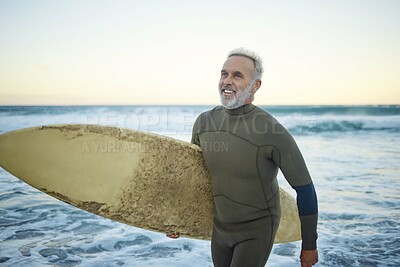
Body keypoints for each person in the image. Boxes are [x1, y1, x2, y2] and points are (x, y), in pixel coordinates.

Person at [169, 48, 318, 267]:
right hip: (220, 227)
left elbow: (305, 189)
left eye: (237, 75)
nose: (227, 81)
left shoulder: (271, 130)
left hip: (257, 228)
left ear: (255, 85)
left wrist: (309, 246)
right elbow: (196, 178)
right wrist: (176, 218)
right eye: (224, 74)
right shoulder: (204, 122)